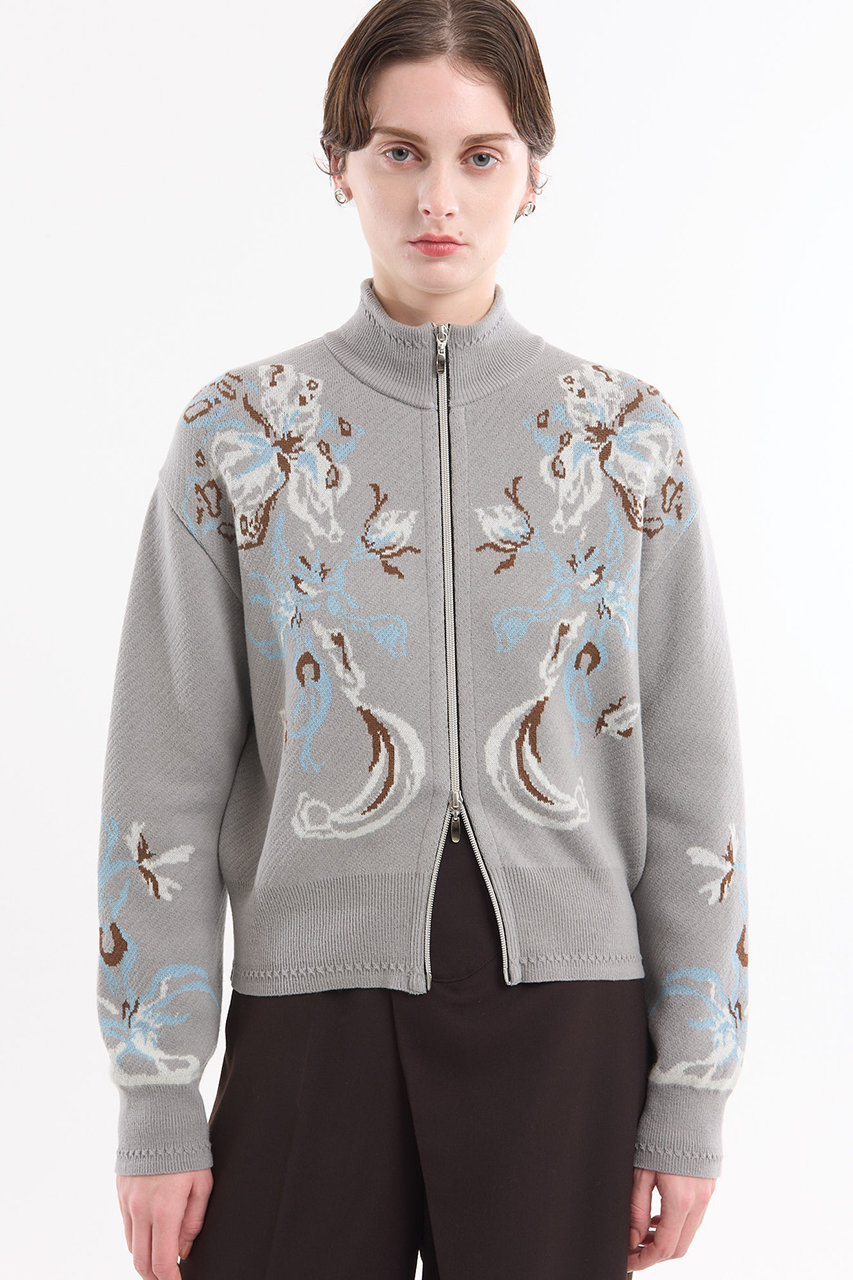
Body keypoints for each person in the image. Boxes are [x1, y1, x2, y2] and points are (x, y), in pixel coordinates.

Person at [96, 1, 749, 1277]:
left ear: (532, 173)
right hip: (308, 1015)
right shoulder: (238, 436)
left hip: (568, 1018)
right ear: (340, 163)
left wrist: (693, 1092)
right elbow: (160, 778)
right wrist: (157, 1093)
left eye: (478, 155)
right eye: (398, 151)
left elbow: (691, 780)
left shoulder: (627, 440)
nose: (437, 196)